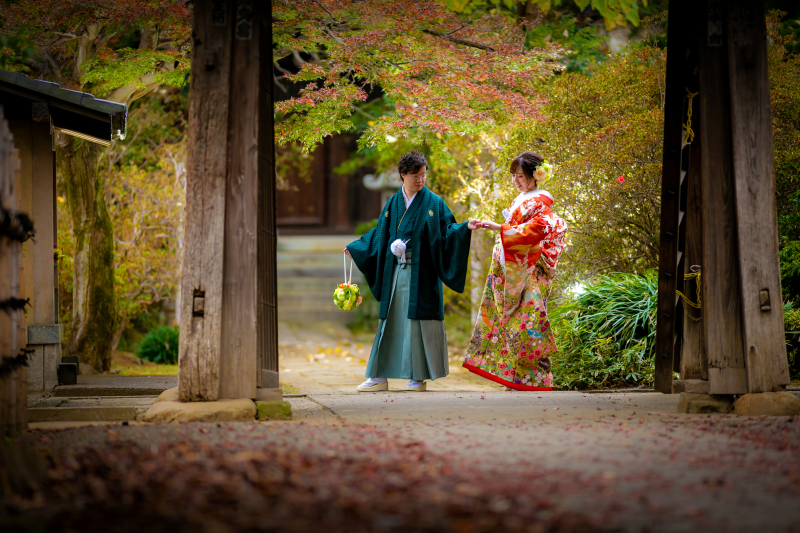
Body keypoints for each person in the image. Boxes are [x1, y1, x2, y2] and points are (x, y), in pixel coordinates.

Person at [345, 151, 481, 392]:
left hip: (422, 275)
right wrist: (357, 248)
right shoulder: (393, 203)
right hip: (395, 273)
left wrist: (464, 228)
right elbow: (380, 233)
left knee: (416, 324)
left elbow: (447, 231)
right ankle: (378, 376)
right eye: (415, 176)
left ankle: (417, 377)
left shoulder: (434, 203)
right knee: (390, 322)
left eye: (423, 175)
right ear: (402, 175)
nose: (420, 180)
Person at [463, 152, 567, 391]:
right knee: (509, 323)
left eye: (520, 176)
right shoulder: (523, 198)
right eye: (513, 175)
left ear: (535, 175)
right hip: (510, 268)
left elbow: (532, 233)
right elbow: (518, 229)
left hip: (526, 271)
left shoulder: (539, 201)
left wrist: (497, 226)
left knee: (528, 321)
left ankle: (539, 378)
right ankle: (516, 377)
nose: (516, 180)